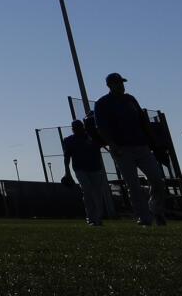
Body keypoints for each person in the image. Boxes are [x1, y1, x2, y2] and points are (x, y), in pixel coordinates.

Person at [92, 72, 168, 226]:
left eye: (122, 82)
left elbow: (143, 120)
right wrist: (112, 145)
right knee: (133, 185)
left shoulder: (130, 99)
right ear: (110, 85)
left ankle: (155, 209)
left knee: (157, 180)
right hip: (121, 148)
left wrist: (154, 143)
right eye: (117, 83)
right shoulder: (102, 103)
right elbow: (101, 127)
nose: (121, 85)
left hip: (141, 146)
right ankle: (144, 217)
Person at [61, 119, 108, 226]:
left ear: (83, 127)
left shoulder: (93, 136)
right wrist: (67, 172)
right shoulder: (69, 140)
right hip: (80, 168)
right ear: (72, 129)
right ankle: (91, 218)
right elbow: (67, 157)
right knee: (87, 191)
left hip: (95, 168)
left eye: (79, 127)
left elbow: (105, 141)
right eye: (74, 128)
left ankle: (97, 218)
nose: (76, 129)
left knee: (97, 193)